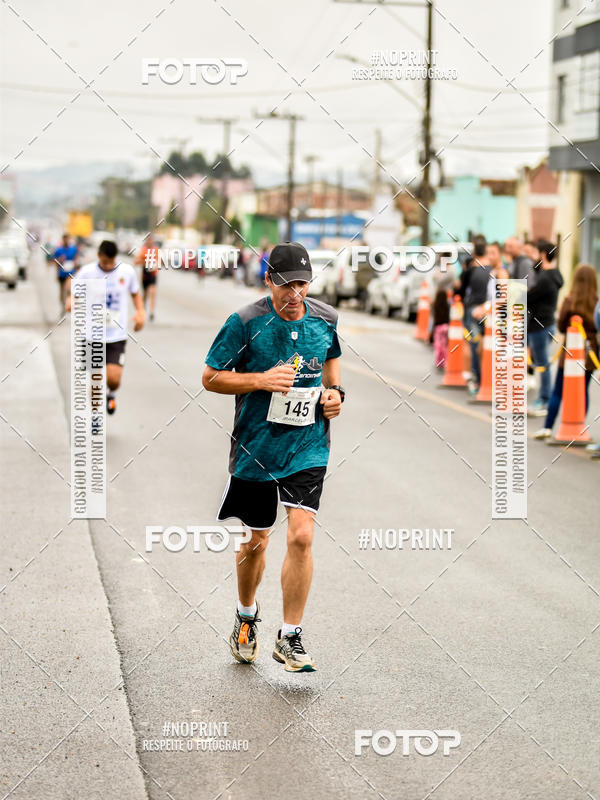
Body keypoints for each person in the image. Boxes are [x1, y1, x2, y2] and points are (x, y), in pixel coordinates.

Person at [202, 242, 344, 673]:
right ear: (268, 280)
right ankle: (246, 618)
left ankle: (290, 636)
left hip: (308, 445)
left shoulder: (326, 320)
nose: (294, 293)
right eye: (285, 284)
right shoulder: (244, 322)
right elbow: (210, 377)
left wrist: (335, 395)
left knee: (302, 536)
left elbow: (331, 367)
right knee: (257, 540)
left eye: (301, 283)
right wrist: (260, 380)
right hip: (257, 447)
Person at [65, 240, 145, 415]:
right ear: (99, 255)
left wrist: (140, 312)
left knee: (114, 378)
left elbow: (135, 294)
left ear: (115, 257)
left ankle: (112, 393)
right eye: (104, 262)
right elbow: (73, 289)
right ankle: (95, 416)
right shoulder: (87, 272)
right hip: (91, 335)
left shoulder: (127, 272)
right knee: (95, 379)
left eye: (111, 262)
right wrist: (71, 300)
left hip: (116, 335)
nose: (108, 266)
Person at [534, 265, 598, 440]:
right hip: (589, 353)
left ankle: (548, 427)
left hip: (569, 353)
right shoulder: (596, 302)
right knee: (582, 390)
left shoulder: (570, 300)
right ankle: (578, 426)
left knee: (558, 390)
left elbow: (561, 325)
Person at [527, 240, 564, 416]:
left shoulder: (544, 279)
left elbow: (529, 298)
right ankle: (544, 397)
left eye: (535, 254)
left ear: (542, 255)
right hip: (548, 323)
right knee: (542, 362)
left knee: (542, 364)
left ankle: (544, 399)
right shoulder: (554, 275)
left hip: (539, 325)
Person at [461, 234, 491, 394]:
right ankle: (484, 378)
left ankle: (477, 378)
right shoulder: (493, 269)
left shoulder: (471, 268)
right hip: (488, 310)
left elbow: (461, 288)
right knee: (486, 345)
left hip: (472, 309)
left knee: (472, 344)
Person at [134, 235, 158, 322]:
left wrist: (156, 264)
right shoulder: (143, 250)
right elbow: (136, 261)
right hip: (145, 275)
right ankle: (143, 309)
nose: (150, 242)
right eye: (149, 241)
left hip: (153, 275)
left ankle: (151, 311)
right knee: (145, 294)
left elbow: (160, 261)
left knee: (152, 292)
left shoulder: (156, 250)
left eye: (151, 241)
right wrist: (145, 262)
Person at [52, 233, 79, 312]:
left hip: (70, 273)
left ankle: (69, 304)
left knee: (68, 289)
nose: (66, 241)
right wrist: (56, 273)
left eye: (68, 239)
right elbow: (56, 262)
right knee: (61, 291)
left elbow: (76, 259)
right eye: (65, 239)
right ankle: (63, 305)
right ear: (63, 240)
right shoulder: (59, 250)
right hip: (61, 273)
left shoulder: (73, 249)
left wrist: (76, 266)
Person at [431, 288, 450, 368]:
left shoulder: (435, 305)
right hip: (446, 327)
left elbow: (433, 320)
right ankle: (445, 361)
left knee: (438, 345)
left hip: (438, 328)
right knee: (445, 345)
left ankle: (438, 361)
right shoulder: (448, 305)